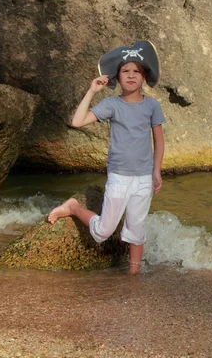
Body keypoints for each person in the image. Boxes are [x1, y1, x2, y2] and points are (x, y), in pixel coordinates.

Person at [47, 40, 165, 275]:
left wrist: (156, 171)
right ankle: (73, 207)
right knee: (102, 231)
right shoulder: (111, 104)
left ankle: (133, 275)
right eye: (125, 71)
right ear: (117, 78)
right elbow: (77, 121)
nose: (131, 75)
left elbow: (159, 141)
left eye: (136, 71)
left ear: (143, 77)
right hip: (119, 176)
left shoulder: (152, 106)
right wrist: (92, 91)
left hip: (143, 178)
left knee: (137, 229)